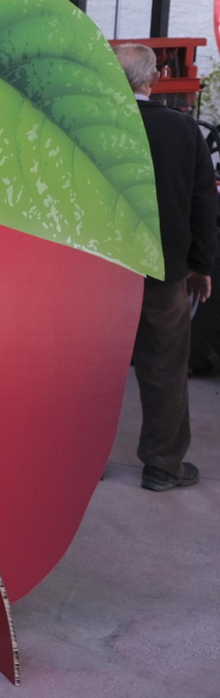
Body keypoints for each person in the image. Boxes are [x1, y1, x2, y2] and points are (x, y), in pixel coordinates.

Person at [115, 44, 216, 492]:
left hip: (99, 272)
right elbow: (202, 205)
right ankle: (162, 464)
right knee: (165, 366)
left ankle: (81, 458)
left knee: (93, 367)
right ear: (152, 80)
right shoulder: (182, 129)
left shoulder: (88, 128)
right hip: (164, 268)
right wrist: (200, 266)